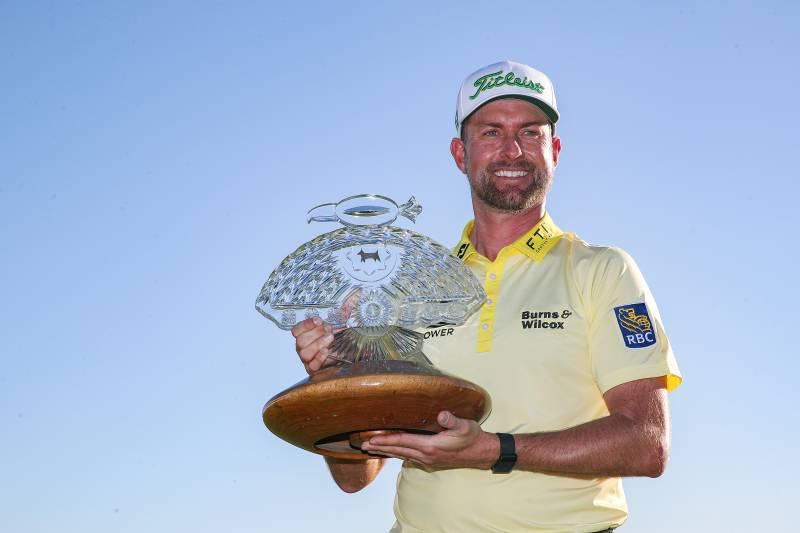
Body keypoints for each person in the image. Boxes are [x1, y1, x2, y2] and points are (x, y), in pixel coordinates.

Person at [291, 60, 682, 533]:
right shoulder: (408, 290)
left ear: (554, 149)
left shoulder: (603, 270)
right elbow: (356, 475)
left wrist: (494, 450)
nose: (513, 149)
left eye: (531, 133)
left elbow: (646, 443)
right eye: (491, 132)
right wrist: (337, 381)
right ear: (461, 153)